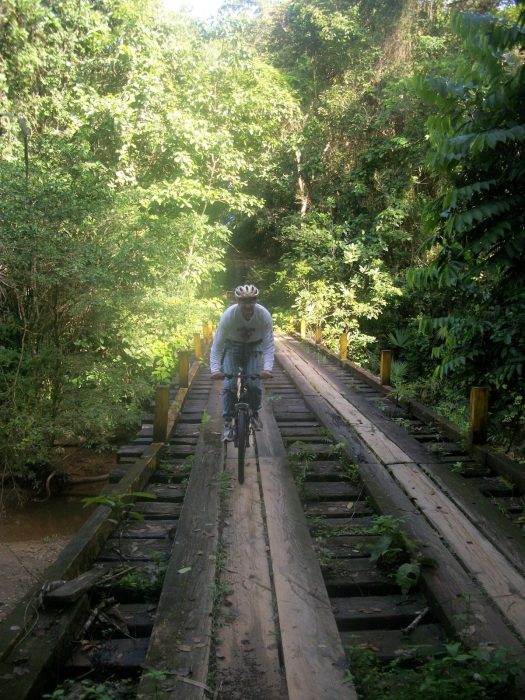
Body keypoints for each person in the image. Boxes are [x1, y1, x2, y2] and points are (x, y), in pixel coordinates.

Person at [210, 284, 274, 441]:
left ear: (256, 300)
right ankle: (227, 423)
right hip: (232, 347)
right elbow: (218, 344)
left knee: (254, 385)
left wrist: (267, 369)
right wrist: (215, 369)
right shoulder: (229, 315)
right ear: (237, 301)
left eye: (251, 301)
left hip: (254, 347)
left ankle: (255, 412)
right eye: (244, 301)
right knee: (229, 385)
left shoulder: (263, 315)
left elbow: (268, 344)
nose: (247, 305)